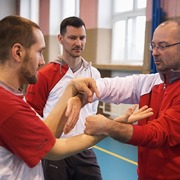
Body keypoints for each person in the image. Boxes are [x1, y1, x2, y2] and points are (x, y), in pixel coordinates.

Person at [0, 15, 153, 180]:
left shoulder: (12, 97)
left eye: (82, 38)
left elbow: (46, 135)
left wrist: (71, 89)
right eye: (39, 52)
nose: (42, 61)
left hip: (79, 151)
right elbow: (54, 147)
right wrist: (112, 126)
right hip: (59, 153)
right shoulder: (8, 106)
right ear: (18, 52)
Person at [71, 20, 180, 179]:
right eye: (153, 46)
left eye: (163, 46)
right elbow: (113, 86)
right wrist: (83, 94)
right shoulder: (153, 82)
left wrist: (107, 126)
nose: (155, 52)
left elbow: (156, 134)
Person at [26, 16, 102, 180]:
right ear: (60, 39)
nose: (78, 43)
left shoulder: (94, 74)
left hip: (84, 149)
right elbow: (33, 114)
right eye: (72, 38)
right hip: (55, 151)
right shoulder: (44, 75)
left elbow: (92, 110)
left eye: (82, 38)